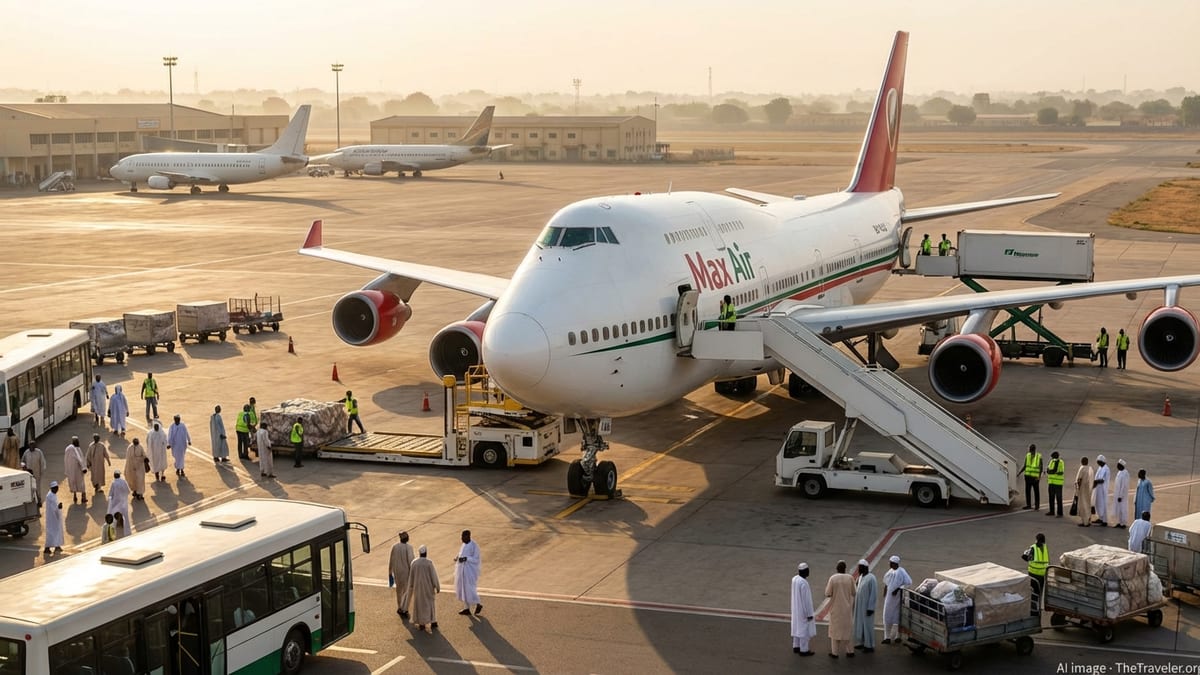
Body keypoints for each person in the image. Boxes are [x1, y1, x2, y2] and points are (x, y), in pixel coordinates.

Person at [825, 560, 856, 658]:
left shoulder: (833, 578)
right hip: (847, 609)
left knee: (835, 632)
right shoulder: (850, 578)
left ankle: (835, 653)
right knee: (847, 632)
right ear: (845, 568)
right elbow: (854, 592)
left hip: (836, 609)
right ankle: (850, 651)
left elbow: (828, 593)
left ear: (837, 568)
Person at [881, 555, 911, 645]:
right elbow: (886, 582)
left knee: (897, 616)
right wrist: (885, 591)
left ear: (895, 563)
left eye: (891, 563)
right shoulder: (890, 572)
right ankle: (887, 637)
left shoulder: (901, 571)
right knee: (887, 615)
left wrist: (898, 589)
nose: (889, 564)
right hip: (889, 599)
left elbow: (908, 582)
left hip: (898, 598)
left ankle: (898, 636)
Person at [409, 545, 440, 632]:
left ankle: (421, 623)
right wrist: (437, 586)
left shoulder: (414, 563)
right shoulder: (429, 563)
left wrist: (411, 585)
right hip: (428, 588)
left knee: (419, 605)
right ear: (426, 553)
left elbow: (411, 576)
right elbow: (434, 576)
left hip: (418, 588)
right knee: (430, 604)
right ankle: (433, 621)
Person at [790, 562, 816, 656]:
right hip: (803, 611)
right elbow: (807, 601)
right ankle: (804, 650)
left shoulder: (795, 579)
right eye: (807, 570)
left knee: (797, 628)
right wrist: (809, 614)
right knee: (804, 631)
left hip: (796, 609)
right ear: (804, 571)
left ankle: (796, 646)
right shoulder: (804, 583)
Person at [455, 529, 483, 616]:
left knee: (469, 588)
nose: (462, 538)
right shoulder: (463, 545)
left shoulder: (474, 546)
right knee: (463, 589)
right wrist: (457, 557)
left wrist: (466, 559)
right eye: (461, 536)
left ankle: (478, 603)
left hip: (469, 571)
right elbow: (460, 553)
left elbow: (476, 559)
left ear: (468, 536)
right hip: (462, 570)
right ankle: (466, 608)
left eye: (463, 536)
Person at [853, 559, 877, 653]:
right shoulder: (860, 577)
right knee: (860, 624)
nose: (858, 570)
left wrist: (870, 608)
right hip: (859, 607)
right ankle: (861, 642)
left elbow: (873, 594)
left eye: (860, 568)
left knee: (867, 626)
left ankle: (869, 645)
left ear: (865, 568)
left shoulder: (871, 578)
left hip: (867, 607)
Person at [389, 531, 415, 618]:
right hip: (406, 573)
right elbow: (411, 561)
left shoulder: (395, 547)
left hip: (397, 572)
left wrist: (390, 572)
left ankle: (399, 607)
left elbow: (391, 560)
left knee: (398, 591)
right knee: (406, 591)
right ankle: (404, 609)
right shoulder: (409, 547)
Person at [1026, 533, 1049, 604]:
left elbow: (1025, 557)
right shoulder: (1045, 547)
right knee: (1039, 591)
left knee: (1034, 591)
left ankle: (1033, 606)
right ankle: (1039, 606)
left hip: (1033, 573)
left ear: (1036, 540)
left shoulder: (1033, 547)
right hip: (1042, 574)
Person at [64, 436, 88, 505]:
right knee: (81, 483)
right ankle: (83, 498)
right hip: (77, 469)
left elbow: (65, 460)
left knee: (73, 482)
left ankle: (75, 496)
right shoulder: (75, 449)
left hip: (70, 470)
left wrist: (67, 470)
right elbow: (80, 459)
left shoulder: (68, 448)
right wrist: (84, 468)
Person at [108, 470, 131, 536]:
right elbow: (128, 490)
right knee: (123, 512)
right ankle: (122, 522)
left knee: (116, 511)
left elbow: (111, 493)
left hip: (116, 500)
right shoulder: (124, 481)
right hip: (123, 500)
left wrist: (110, 498)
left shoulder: (113, 483)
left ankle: (119, 521)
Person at [43, 481, 64, 555]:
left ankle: (57, 546)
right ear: (52, 488)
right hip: (53, 517)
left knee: (55, 531)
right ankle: (48, 548)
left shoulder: (51, 494)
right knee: (53, 532)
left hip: (53, 517)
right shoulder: (51, 496)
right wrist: (59, 507)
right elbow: (54, 507)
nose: (57, 490)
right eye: (55, 488)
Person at [1023, 443, 1043, 511]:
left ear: (1034, 450)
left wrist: (1039, 477)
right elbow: (1025, 465)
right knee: (1027, 491)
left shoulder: (1039, 456)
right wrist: (1019, 473)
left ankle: (1037, 506)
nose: (1030, 452)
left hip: (1035, 478)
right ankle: (1028, 505)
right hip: (1028, 477)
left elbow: (1041, 468)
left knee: (1036, 492)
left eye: (1031, 450)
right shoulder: (1027, 455)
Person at [1074, 456, 1093, 527]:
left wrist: (1077, 489)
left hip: (1082, 489)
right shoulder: (1090, 468)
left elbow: (1079, 479)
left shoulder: (1082, 468)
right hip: (1088, 490)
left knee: (1082, 505)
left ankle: (1085, 522)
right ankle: (1088, 519)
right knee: (1088, 504)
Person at [1093, 454, 1111, 526]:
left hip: (1103, 489)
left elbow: (1102, 480)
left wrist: (1095, 482)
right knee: (1098, 504)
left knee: (1103, 504)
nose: (1098, 463)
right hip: (1098, 489)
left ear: (1102, 461)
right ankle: (1100, 518)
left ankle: (1104, 521)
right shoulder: (1100, 468)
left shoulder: (1106, 469)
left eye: (1099, 462)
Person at [1046, 451, 1065, 517]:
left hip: (1058, 483)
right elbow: (1048, 470)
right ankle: (1052, 511)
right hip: (1051, 482)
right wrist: (1051, 472)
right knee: (1051, 497)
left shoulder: (1060, 462)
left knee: (1059, 498)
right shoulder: (1051, 461)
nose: (1052, 458)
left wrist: (1052, 472)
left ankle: (1060, 513)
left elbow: (1061, 472)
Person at [1113, 459, 1131, 529]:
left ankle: (1123, 523)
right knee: (1119, 509)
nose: (1117, 466)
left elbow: (1124, 486)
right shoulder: (1120, 472)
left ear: (1121, 466)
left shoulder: (1125, 474)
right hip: (1118, 494)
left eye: (1118, 465)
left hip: (1122, 496)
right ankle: (1119, 522)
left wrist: (1120, 496)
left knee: (1123, 509)